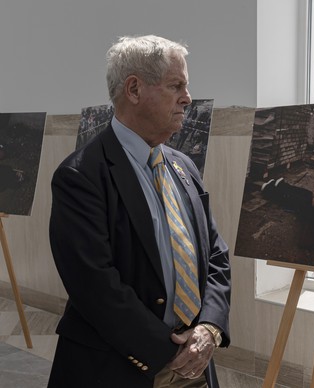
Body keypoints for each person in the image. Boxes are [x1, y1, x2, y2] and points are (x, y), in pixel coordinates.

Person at [48, 35, 231, 388]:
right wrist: (167, 351)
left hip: (195, 360)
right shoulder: (80, 175)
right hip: (119, 366)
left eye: (186, 86)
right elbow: (94, 284)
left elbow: (216, 254)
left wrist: (209, 327)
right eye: (175, 85)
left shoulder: (184, 167)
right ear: (133, 89)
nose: (188, 98)